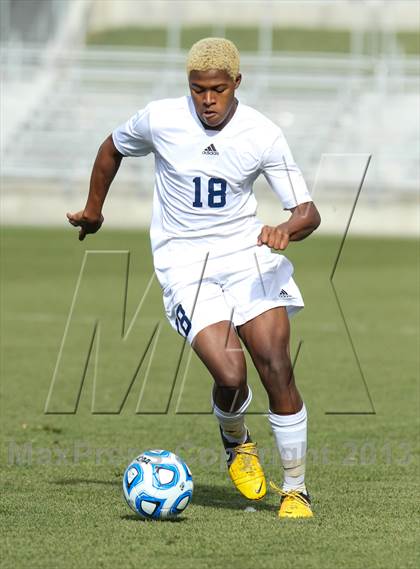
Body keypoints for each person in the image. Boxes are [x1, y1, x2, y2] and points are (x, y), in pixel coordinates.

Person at [67, 37, 321, 519]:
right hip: (184, 265)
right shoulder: (161, 118)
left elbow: (308, 212)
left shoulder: (262, 133)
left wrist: (286, 229)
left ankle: (295, 490)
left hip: (249, 255)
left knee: (276, 364)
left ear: (236, 84)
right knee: (230, 374)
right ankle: (236, 441)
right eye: (198, 89)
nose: (207, 100)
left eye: (218, 90)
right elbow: (111, 148)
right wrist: (94, 211)